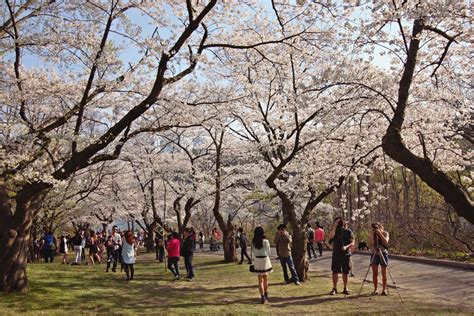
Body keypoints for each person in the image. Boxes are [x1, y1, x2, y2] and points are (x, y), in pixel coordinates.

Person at [328, 217, 355, 295]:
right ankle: (334, 288)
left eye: (340, 222)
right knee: (335, 271)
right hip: (336, 254)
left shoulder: (348, 231)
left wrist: (346, 247)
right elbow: (330, 237)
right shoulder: (335, 231)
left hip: (345, 254)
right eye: (337, 222)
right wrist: (335, 227)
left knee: (345, 272)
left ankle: (345, 288)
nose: (339, 223)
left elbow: (352, 242)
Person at [251, 226, 273, 304]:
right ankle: (266, 294)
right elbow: (269, 251)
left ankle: (262, 297)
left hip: (257, 260)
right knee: (266, 278)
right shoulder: (266, 241)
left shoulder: (253, 241)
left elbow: (253, 252)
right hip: (265, 260)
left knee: (260, 280)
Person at [368, 222, 390, 296]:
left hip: (383, 253)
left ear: (382, 227)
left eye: (379, 227)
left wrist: (380, 234)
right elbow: (372, 244)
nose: (377, 229)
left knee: (384, 273)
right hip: (375, 254)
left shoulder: (386, 233)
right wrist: (373, 235)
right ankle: (375, 289)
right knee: (375, 273)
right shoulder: (372, 234)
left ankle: (384, 290)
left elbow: (386, 242)